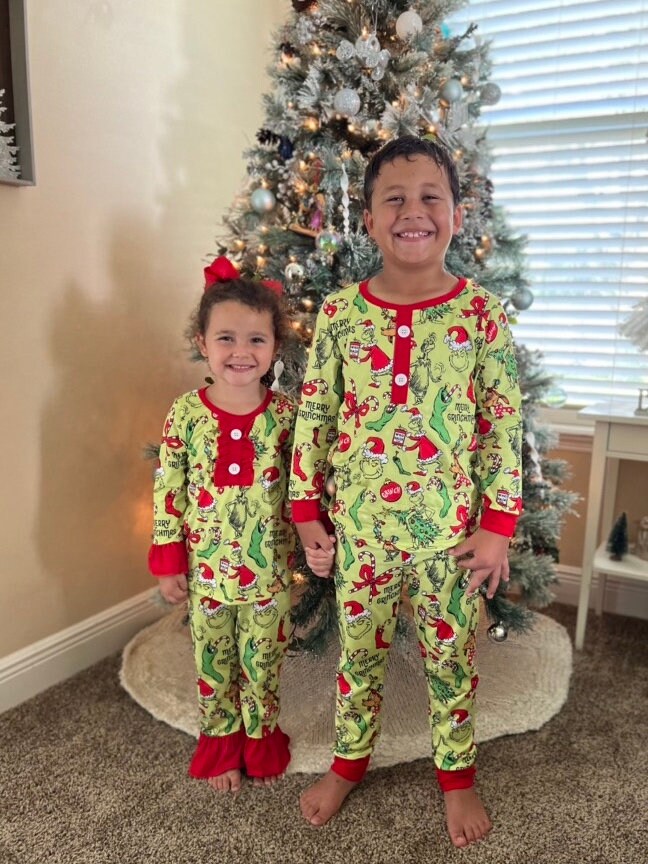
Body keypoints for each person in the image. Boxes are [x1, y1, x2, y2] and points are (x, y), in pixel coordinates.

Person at [290, 135, 522, 847]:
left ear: (457, 213)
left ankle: (457, 776)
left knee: (453, 659)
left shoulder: (481, 314)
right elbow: (316, 418)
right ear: (367, 218)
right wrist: (307, 516)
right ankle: (349, 761)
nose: (412, 212)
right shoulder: (338, 315)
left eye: (430, 198)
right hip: (362, 536)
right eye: (394, 199)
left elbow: (502, 423)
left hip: (450, 540)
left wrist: (497, 524)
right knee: (356, 656)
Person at [149, 256, 296, 793]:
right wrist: (169, 562)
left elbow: (304, 485)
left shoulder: (286, 415)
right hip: (208, 575)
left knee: (262, 664)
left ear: (274, 348)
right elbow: (168, 489)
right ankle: (221, 745)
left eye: (257, 340)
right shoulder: (185, 413)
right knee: (214, 663)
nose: (241, 352)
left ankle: (261, 738)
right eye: (227, 338)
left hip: (270, 578)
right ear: (202, 343)